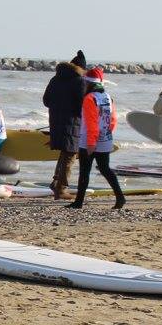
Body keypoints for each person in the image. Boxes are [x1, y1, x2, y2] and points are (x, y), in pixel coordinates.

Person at [69, 67, 126, 210]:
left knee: (84, 171)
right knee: (105, 169)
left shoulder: (89, 98)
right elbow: (113, 120)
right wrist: (106, 134)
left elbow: (91, 122)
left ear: (87, 83)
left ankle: (79, 202)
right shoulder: (107, 96)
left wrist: (91, 143)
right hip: (105, 139)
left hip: (90, 140)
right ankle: (120, 197)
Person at [42, 50, 86, 199]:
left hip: (55, 121)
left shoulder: (55, 79)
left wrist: (58, 107)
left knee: (65, 153)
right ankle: (61, 189)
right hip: (73, 123)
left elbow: (46, 101)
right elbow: (82, 106)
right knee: (70, 155)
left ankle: (56, 182)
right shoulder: (79, 81)